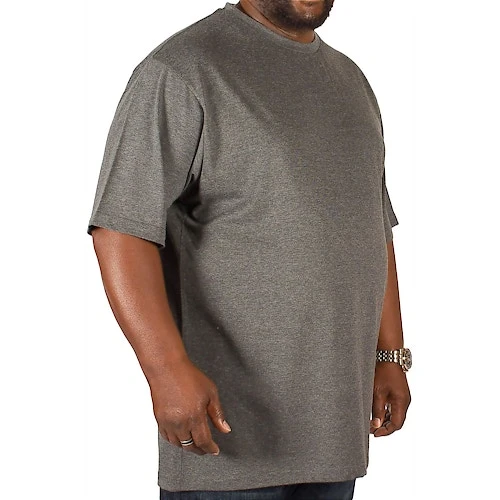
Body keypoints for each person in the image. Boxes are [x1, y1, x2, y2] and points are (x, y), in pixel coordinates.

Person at [86, 1, 412, 498]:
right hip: (226, 439)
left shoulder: (351, 81)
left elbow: (373, 228)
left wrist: (389, 354)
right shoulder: (182, 69)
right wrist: (165, 370)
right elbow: (121, 229)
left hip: (336, 434)